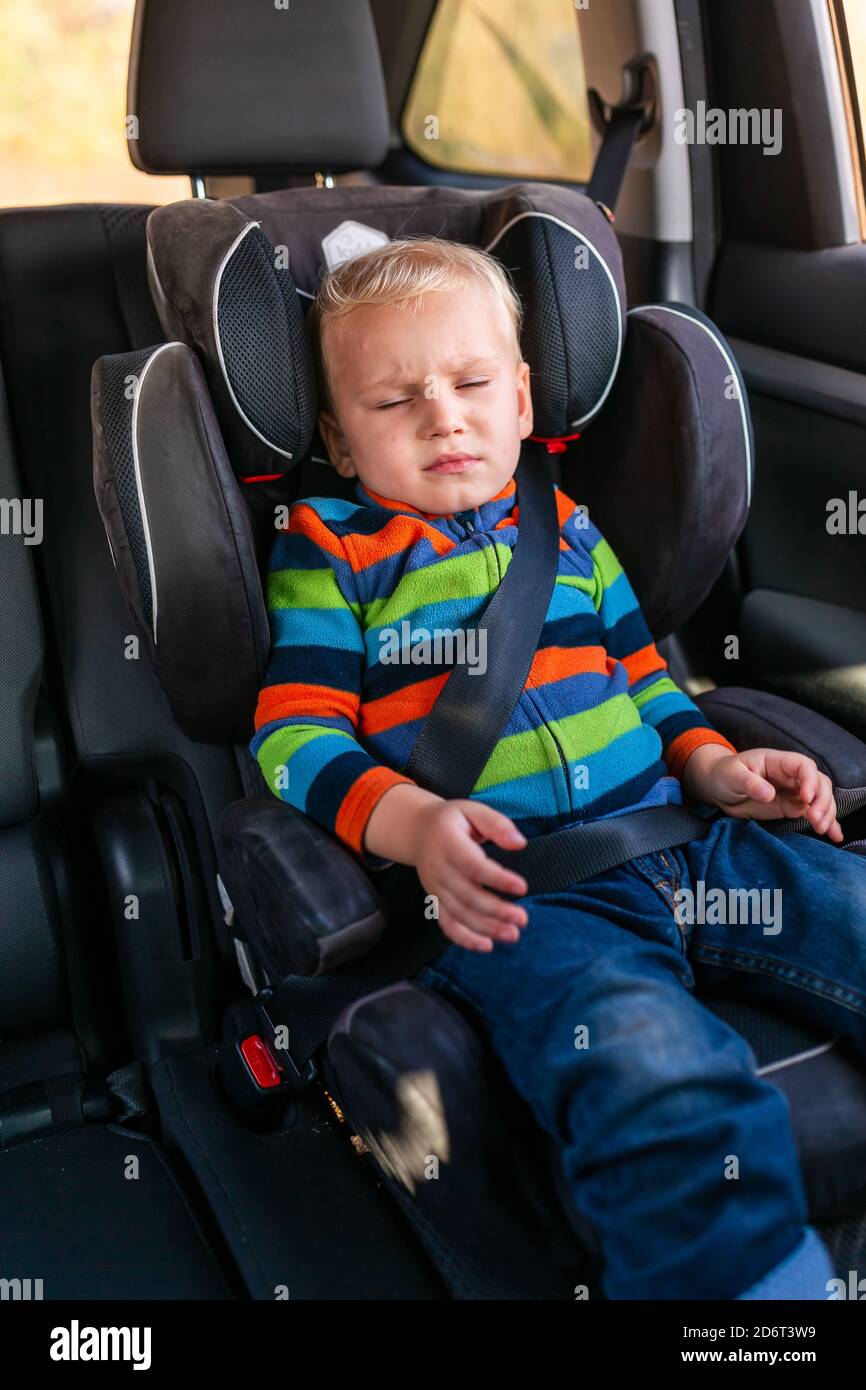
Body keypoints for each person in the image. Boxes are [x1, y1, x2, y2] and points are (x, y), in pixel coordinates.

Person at [250, 235, 859, 1300]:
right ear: (339, 442)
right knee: (647, 1072)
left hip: (689, 840)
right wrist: (411, 828)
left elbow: (647, 680)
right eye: (393, 403)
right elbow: (292, 736)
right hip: (525, 899)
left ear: (522, 398)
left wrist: (714, 764)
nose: (443, 415)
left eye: (473, 383)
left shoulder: (569, 531)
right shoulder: (333, 549)